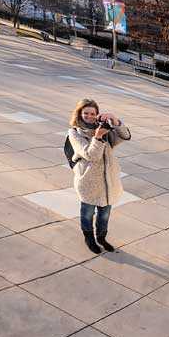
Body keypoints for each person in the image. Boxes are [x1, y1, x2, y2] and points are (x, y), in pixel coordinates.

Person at [67, 97, 132, 254]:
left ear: (97, 114)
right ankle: (89, 238)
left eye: (93, 113)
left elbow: (125, 136)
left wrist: (114, 120)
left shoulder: (105, 129)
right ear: (79, 114)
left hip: (108, 181)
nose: (89, 116)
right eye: (86, 113)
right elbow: (91, 155)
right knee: (88, 213)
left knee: (104, 214)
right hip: (89, 181)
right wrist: (97, 137)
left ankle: (102, 237)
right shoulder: (75, 133)